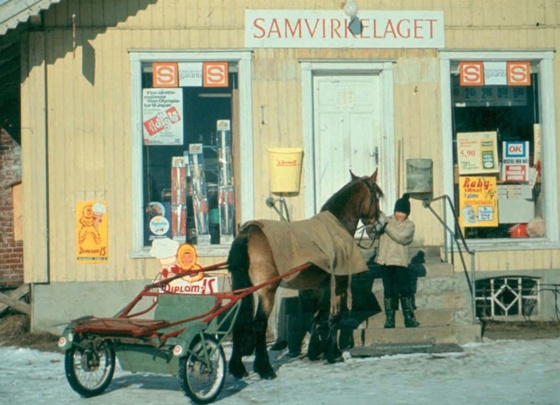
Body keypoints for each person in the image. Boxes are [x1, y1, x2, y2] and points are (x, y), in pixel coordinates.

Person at [374, 193, 419, 328]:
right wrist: (374, 224)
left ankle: (408, 317)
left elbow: (401, 238)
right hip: (385, 262)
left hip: (400, 262)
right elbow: (373, 234)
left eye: (403, 213)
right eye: (398, 211)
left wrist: (386, 226)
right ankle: (389, 318)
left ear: (407, 214)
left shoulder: (409, 226)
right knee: (388, 290)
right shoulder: (386, 220)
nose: (399, 215)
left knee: (405, 290)